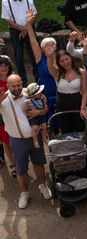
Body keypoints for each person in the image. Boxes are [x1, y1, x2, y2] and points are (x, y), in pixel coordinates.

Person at [0, 74, 52, 209]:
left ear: (21, 83)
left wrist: (38, 112)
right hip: (17, 140)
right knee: (21, 169)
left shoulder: (29, 92)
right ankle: (24, 193)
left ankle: (43, 185)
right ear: (8, 86)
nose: (17, 88)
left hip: (35, 138)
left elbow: (45, 108)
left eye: (18, 85)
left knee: (39, 163)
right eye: (13, 86)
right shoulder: (3, 99)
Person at [1, 0, 38, 84]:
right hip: (15, 30)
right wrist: (21, 29)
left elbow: (34, 14)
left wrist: (27, 28)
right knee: (18, 56)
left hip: (29, 28)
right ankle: (23, 81)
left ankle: (38, 78)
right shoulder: (5, 1)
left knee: (35, 54)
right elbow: (6, 19)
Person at [22, 83, 48, 148]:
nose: (40, 93)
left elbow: (45, 106)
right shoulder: (29, 100)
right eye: (39, 92)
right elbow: (24, 109)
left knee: (44, 126)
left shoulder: (42, 97)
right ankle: (35, 141)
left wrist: (44, 101)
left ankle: (44, 138)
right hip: (33, 117)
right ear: (35, 94)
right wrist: (26, 106)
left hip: (41, 115)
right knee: (35, 128)